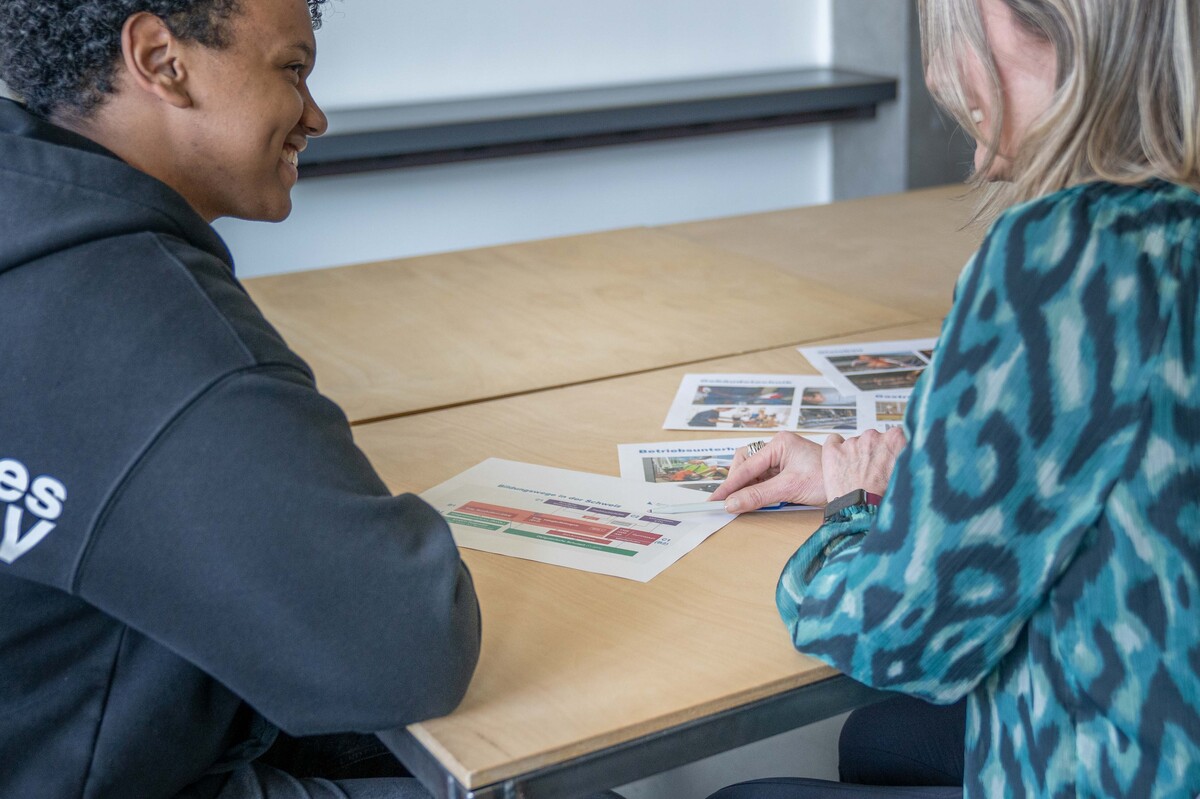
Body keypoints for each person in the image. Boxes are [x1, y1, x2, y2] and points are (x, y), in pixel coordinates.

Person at [707, 0, 1200, 796]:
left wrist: (854, 507)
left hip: (1114, 768)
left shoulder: (1070, 261)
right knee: (883, 738)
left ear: (1018, 17)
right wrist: (927, 477)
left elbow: (899, 638)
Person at [0, 2, 485, 797]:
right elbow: (407, 648)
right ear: (161, 60)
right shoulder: (149, 322)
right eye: (291, 70)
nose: (315, 116)